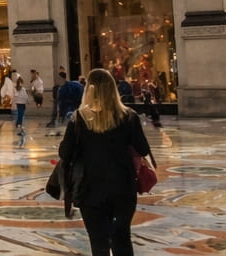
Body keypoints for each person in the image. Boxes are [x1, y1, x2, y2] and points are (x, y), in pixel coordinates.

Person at [58, 67, 154, 256]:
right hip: (123, 188)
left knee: (98, 241)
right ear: (113, 89)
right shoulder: (128, 117)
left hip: (90, 189)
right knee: (122, 238)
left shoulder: (79, 119)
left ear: (88, 90)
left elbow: (65, 153)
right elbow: (143, 149)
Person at [12, 75, 30, 140]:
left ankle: (19, 124)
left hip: (19, 102)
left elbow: (15, 96)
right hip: (21, 102)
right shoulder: (22, 89)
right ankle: (19, 124)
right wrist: (27, 101)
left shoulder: (17, 89)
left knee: (21, 113)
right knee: (21, 113)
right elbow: (25, 96)